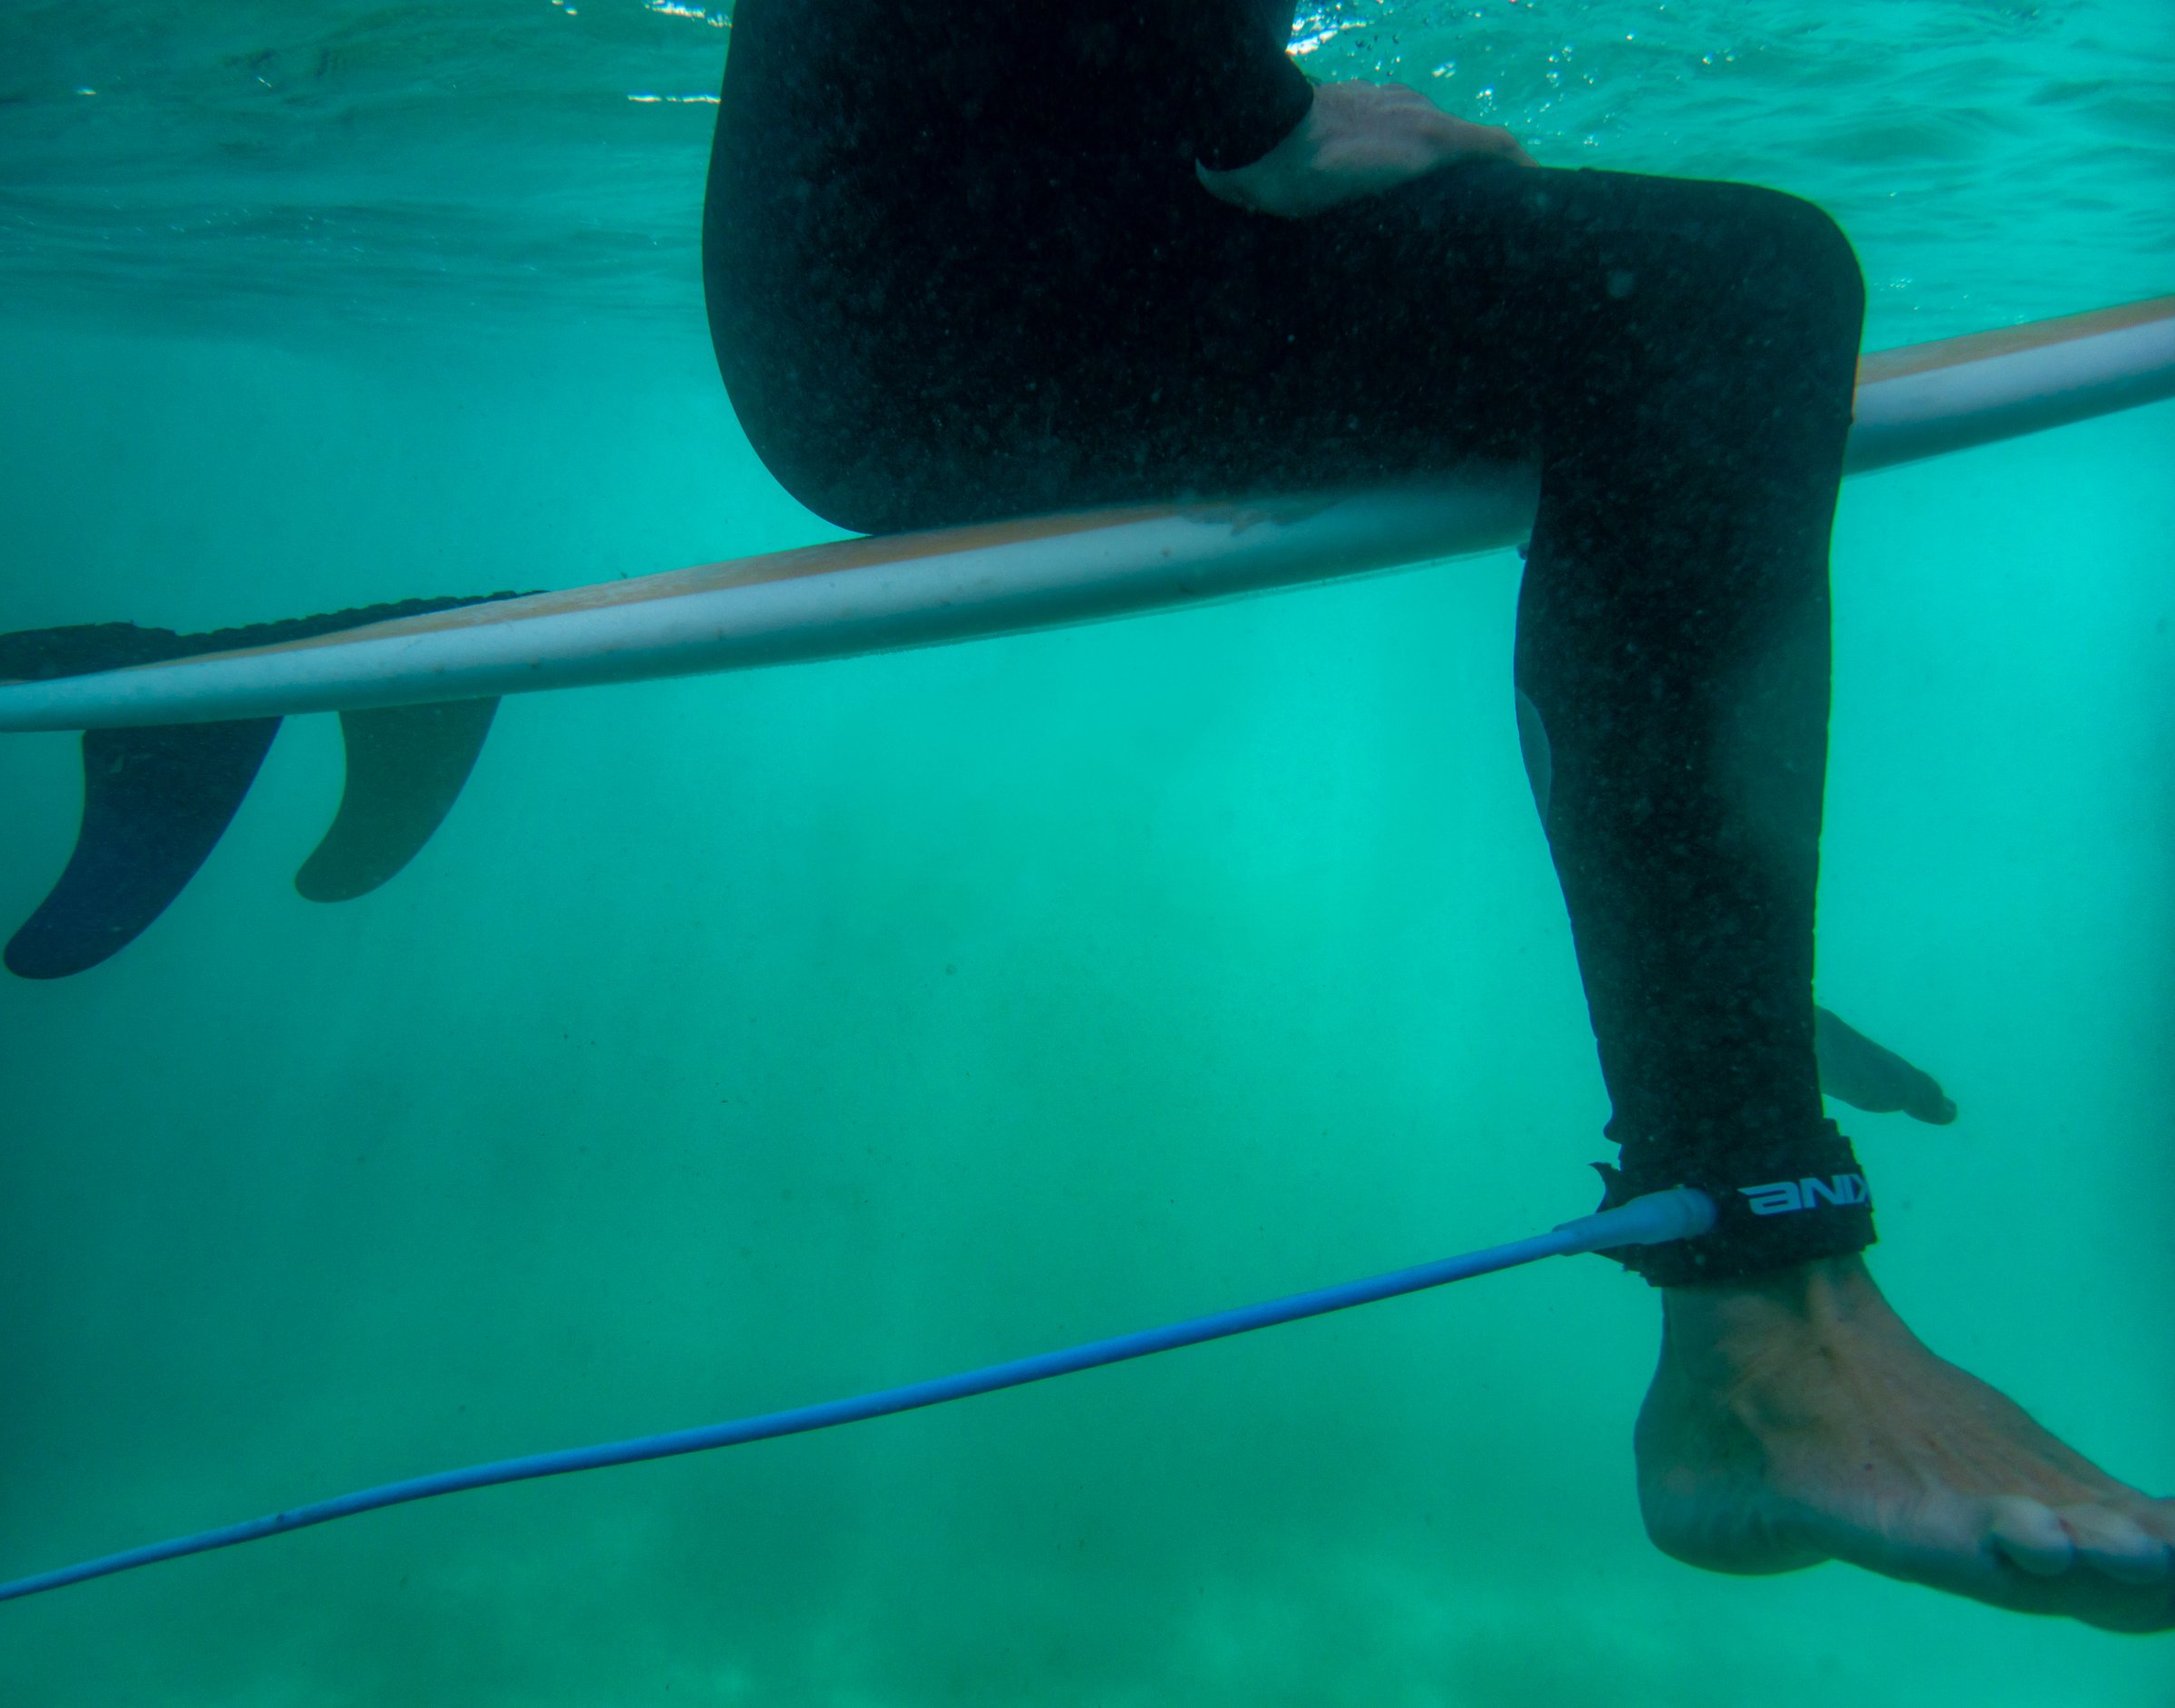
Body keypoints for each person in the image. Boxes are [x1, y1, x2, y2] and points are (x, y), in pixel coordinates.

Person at [700, 1, 2174, 1631]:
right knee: (1722, 299)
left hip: (942, 258)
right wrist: (1257, 121)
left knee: (1688, 302)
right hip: (945, 302)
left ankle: (1709, 1003)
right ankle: (1765, 1328)